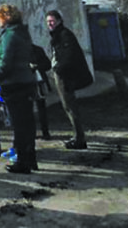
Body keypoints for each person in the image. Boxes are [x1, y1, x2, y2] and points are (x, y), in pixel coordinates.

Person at [0, 3, 37, 174]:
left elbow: (6, 61)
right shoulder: (23, 33)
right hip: (26, 81)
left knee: (19, 124)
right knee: (27, 123)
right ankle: (30, 157)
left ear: (4, 17)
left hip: (13, 83)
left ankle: (22, 161)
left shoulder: (9, 36)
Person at [46, 9, 93, 150]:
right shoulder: (58, 35)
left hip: (65, 76)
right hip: (62, 74)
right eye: (48, 22)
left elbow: (70, 55)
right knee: (68, 106)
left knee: (70, 106)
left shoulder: (64, 35)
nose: (50, 24)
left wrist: (58, 69)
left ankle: (79, 138)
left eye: (52, 21)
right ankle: (78, 136)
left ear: (59, 21)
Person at [31, 43, 53, 140]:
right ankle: (41, 132)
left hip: (37, 82)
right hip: (31, 82)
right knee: (37, 109)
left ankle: (45, 132)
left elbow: (48, 65)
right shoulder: (36, 49)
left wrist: (36, 66)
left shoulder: (37, 50)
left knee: (41, 109)